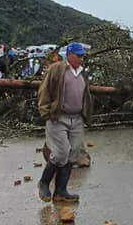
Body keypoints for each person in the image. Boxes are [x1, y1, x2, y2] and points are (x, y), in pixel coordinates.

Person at [36, 42, 93, 203]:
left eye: (82, 56)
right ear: (69, 55)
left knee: (73, 154)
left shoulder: (82, 73)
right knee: (61, 152)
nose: (81, 58)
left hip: (77, 118)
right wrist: (45, 112)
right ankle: (44, 183)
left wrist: (86, 115)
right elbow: (44, 90)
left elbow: (85, 95)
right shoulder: (57, 69)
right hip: (58, 117)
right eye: (78, 55)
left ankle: (61, 191)